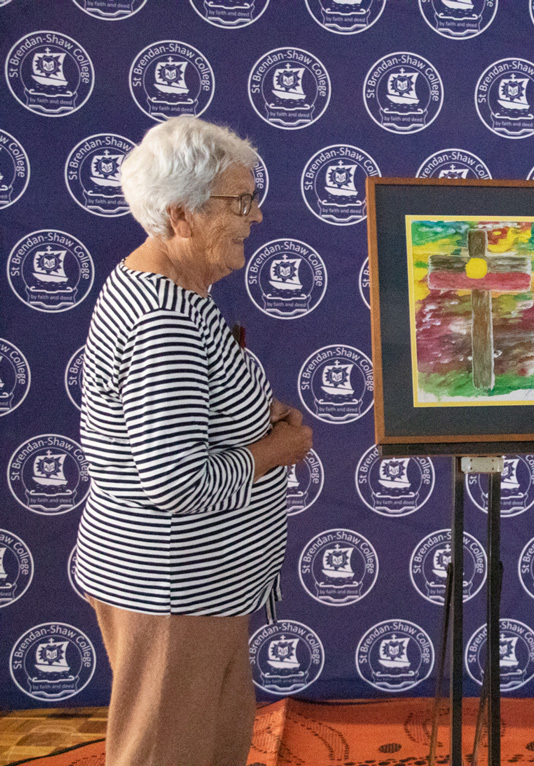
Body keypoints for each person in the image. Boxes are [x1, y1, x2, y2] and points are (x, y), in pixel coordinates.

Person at [74, 116, 312, 766]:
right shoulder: (165, 320)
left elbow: (175, 413)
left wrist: (254, 414)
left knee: (209, 744)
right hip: (173, 589)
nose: (255, 216)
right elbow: (176, 482)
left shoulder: (163, 287)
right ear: (180, 215)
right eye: (239, 202)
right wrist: (278, 451)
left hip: (194, 587)